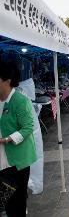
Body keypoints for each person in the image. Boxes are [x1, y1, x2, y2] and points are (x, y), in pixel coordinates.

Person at [0, 61, 37, 217]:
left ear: (7, 80)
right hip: (2, 159)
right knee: (5, 201)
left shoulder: (19, 100)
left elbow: (28, 126)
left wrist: (8, 138)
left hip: (17, 161)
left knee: (16, 202)